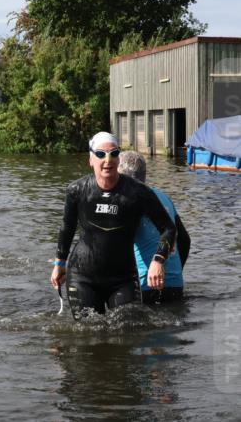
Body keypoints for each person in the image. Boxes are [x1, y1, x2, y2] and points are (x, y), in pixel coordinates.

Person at [50, 132, 176, 315]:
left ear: (119, 159)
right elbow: (67, 228)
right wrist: (59, 264)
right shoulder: (77, 190)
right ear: (91, 159)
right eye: (101, 154)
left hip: (123, 278)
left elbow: (168, 228)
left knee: (127, 332)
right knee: (88, 334)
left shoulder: (138, 192)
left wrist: (158, 261)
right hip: (82, 276)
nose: (107, 160)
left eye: (114, 153)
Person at [118, 151, 190, 304]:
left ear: (122, 176)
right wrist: (172, 273)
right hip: (175, 284)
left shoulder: (126, 200)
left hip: (145, 285)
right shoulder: (163, 197)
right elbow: (185, 239)